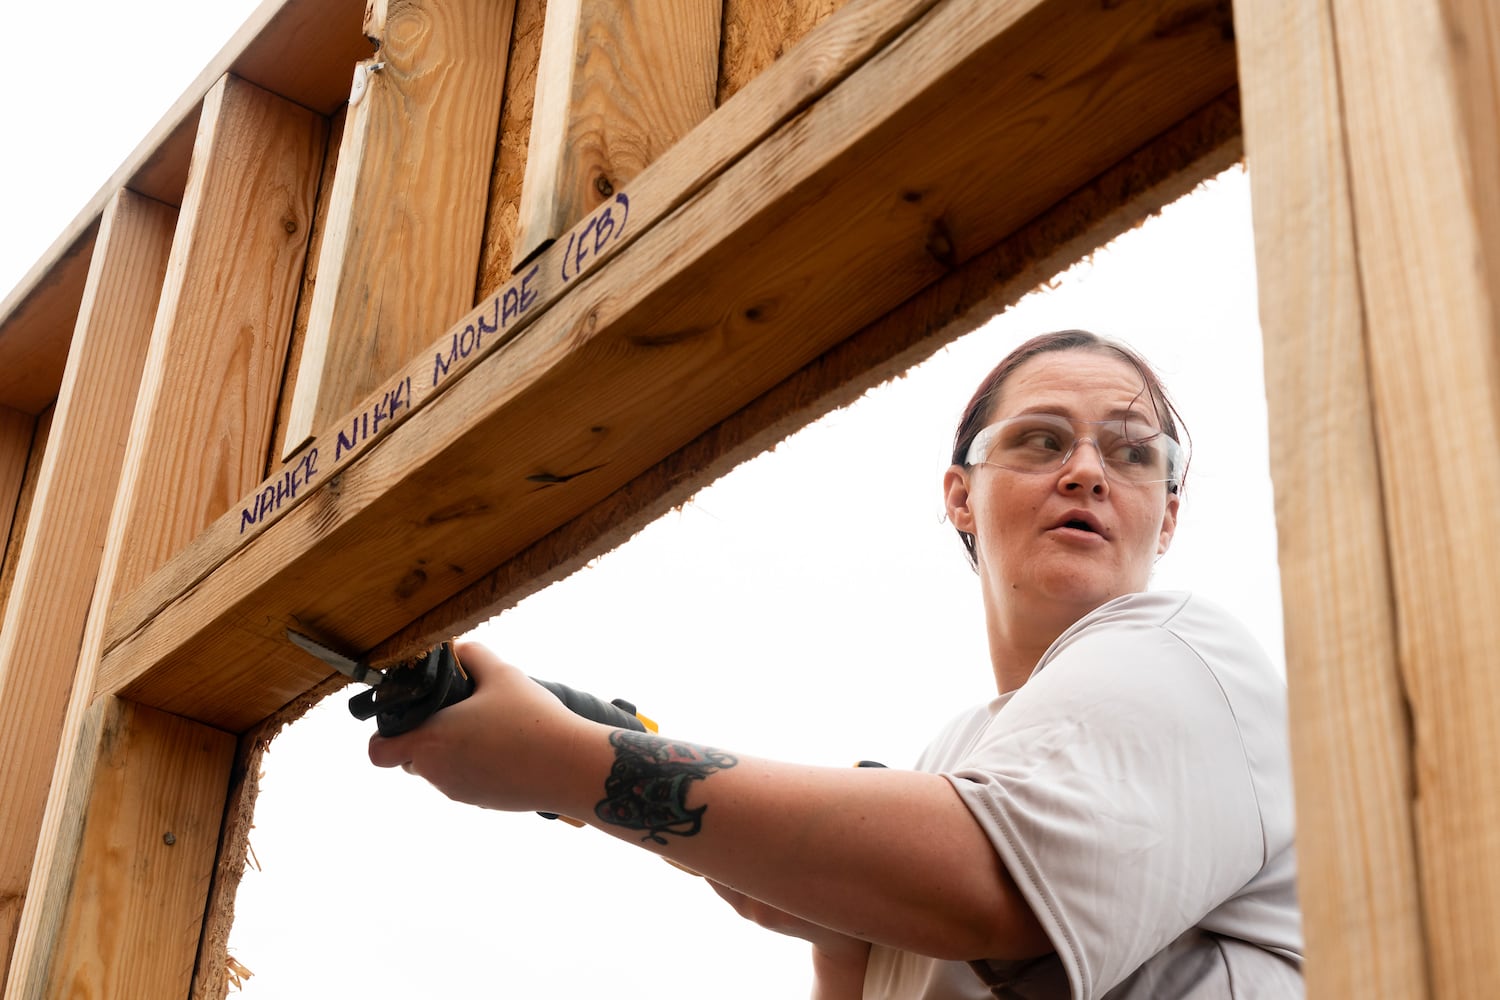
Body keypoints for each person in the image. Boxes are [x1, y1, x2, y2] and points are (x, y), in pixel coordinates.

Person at [368, 329, 1303, 998]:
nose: (1088, 470)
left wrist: (570, 765)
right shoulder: (956, 755)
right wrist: (615, 754)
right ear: (961, 497)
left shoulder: (1190, 657)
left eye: (1134, 454)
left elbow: (982, 882)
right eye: (1042, 440)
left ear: (1166, 515)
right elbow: (859, 915)